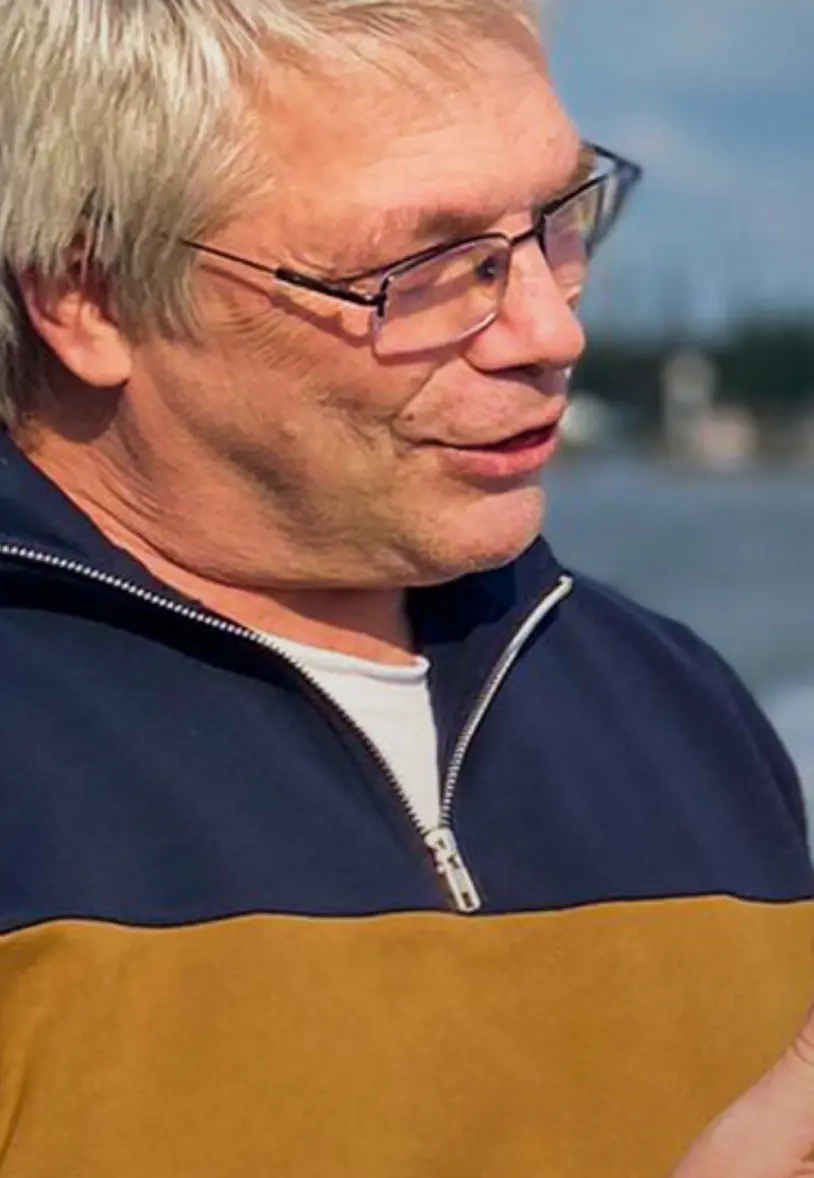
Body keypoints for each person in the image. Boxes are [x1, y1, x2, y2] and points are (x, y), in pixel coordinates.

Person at [0, 2, 811, 1175]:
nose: (549, 330)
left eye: (556, 221)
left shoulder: (677, 702)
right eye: (423, 268)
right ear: (87, 294)